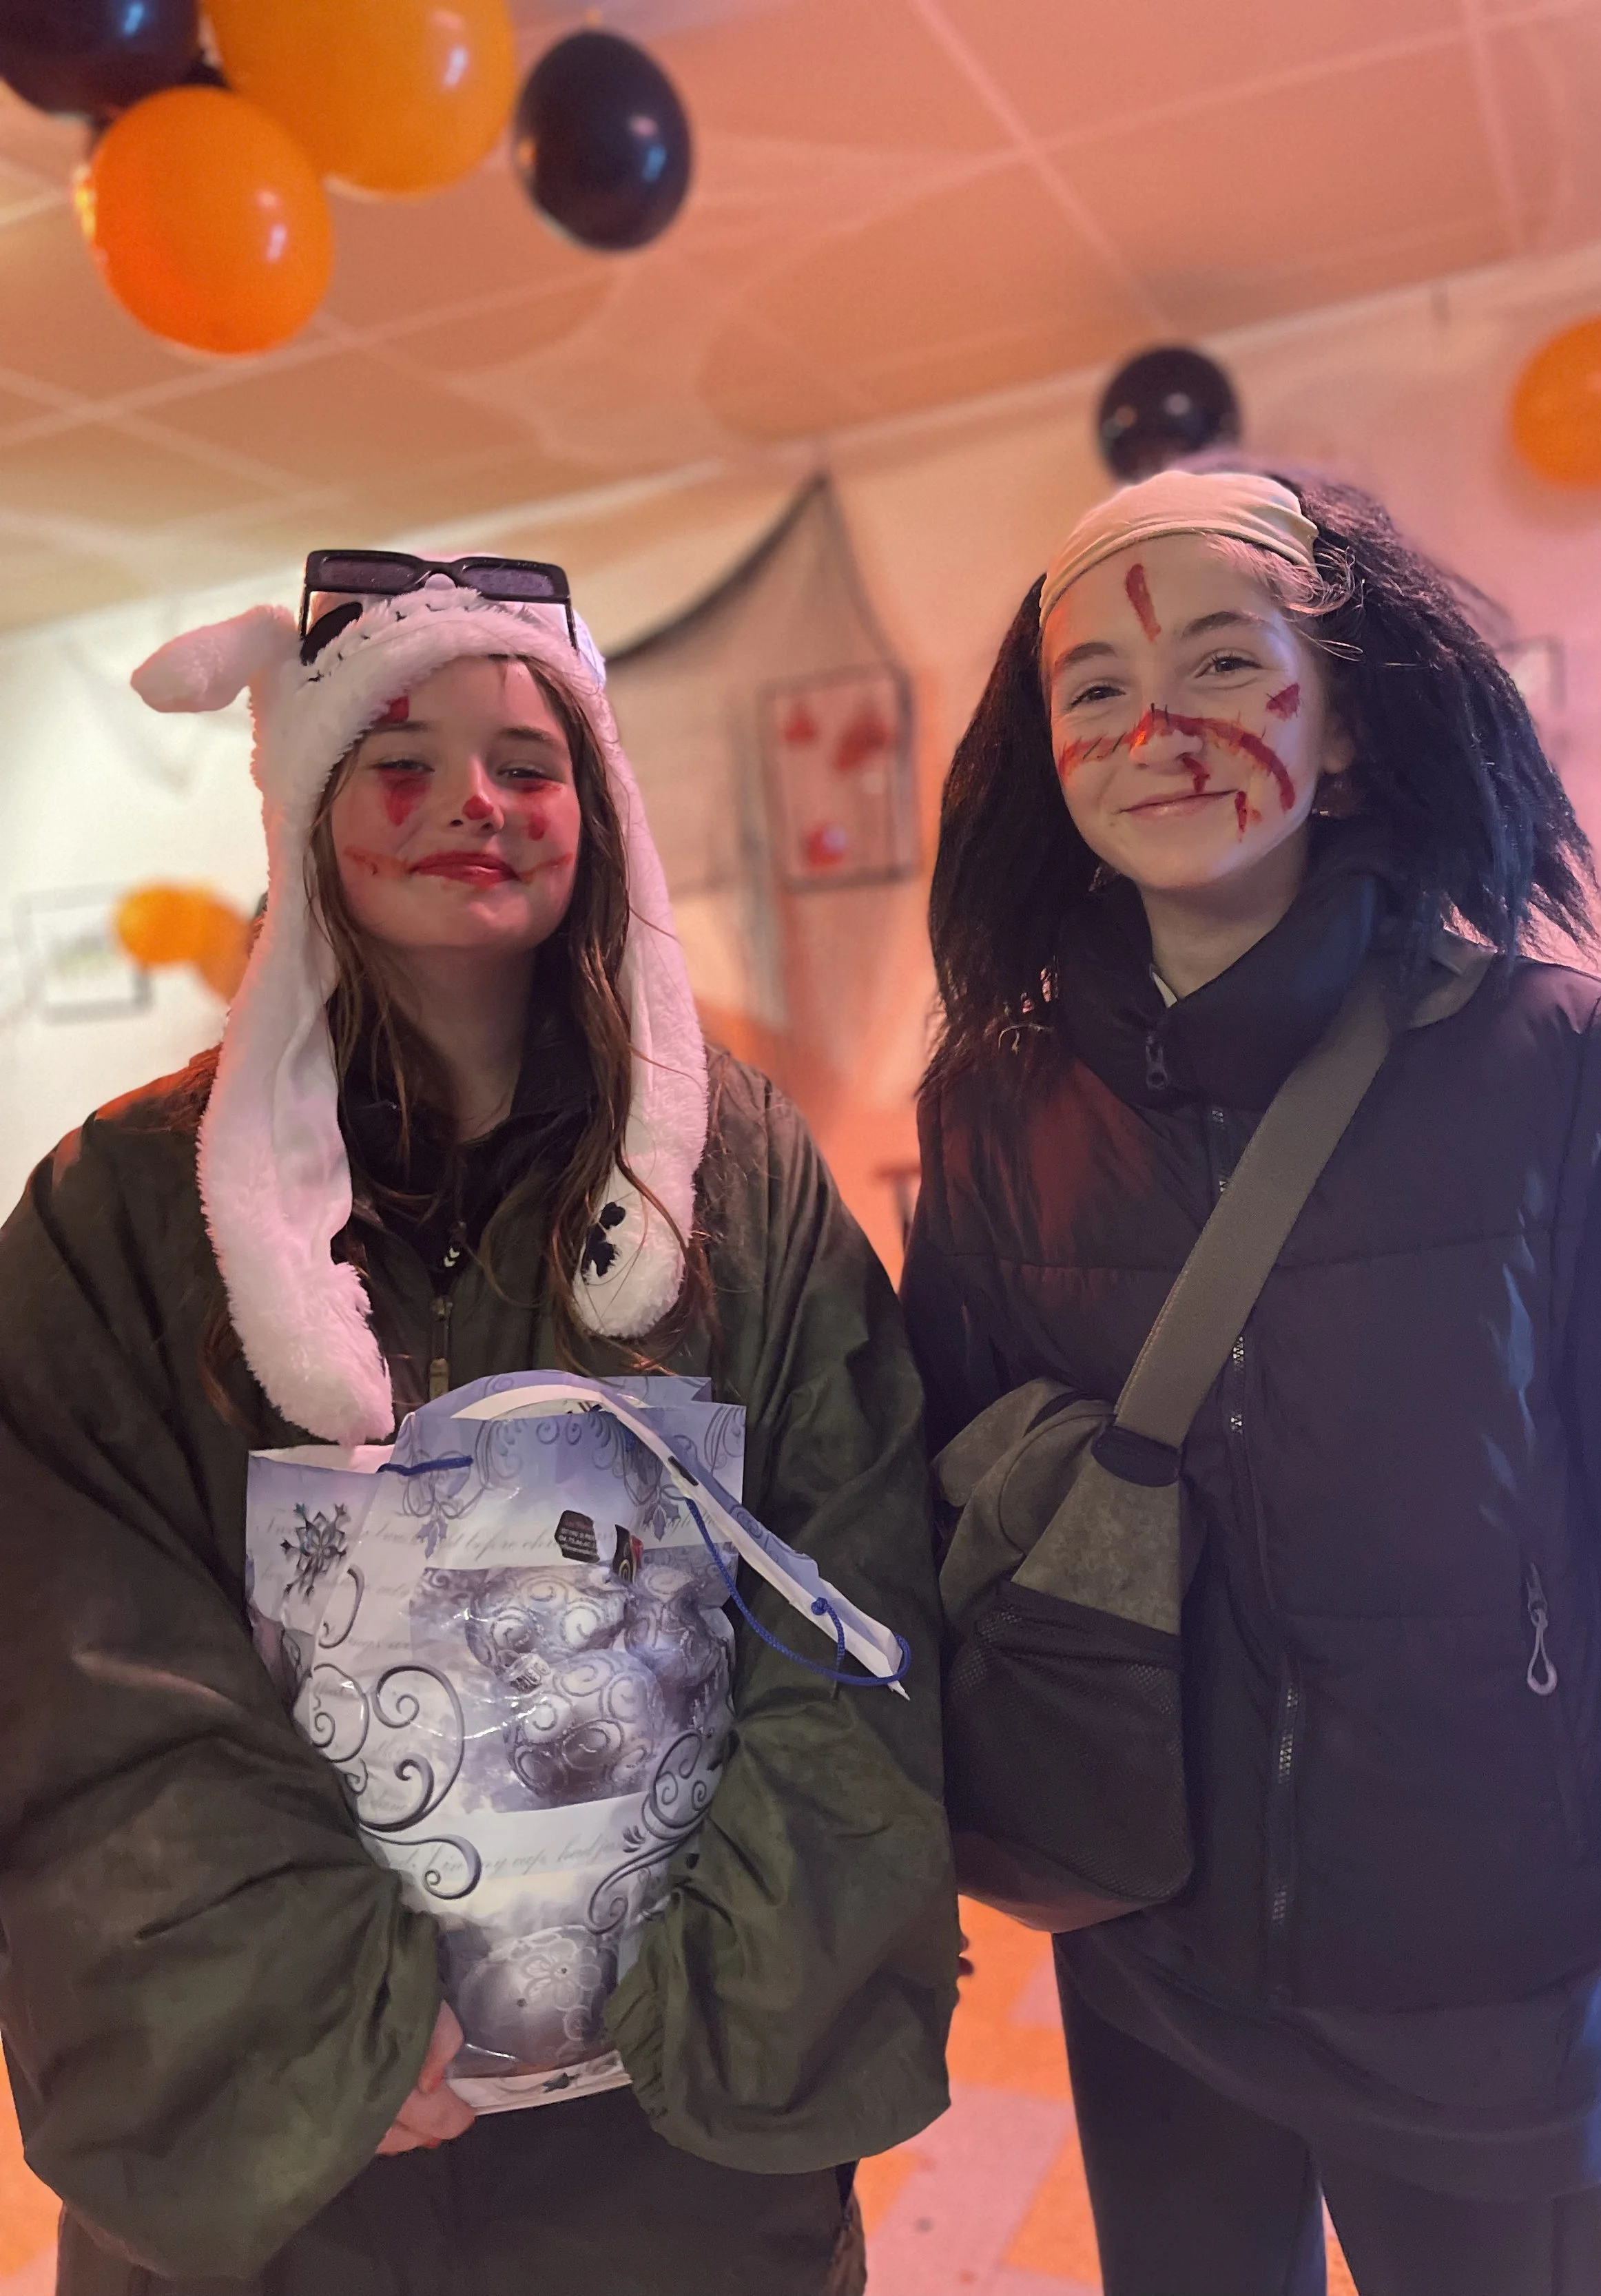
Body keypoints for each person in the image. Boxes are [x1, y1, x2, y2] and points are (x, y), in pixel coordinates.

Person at [0, 555, 958, 2295]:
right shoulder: (124, 1212)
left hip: (671, 2136)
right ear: (304, 807)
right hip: (298, 2148)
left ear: (593, 807)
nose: (473, 806)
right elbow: (76, 1665)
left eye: (526, 763)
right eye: (398, 761)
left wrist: (729, 1984)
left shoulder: (736, 1178)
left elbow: (855, 1584)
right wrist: (313, 2015)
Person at [901, 467, 1601, 2295]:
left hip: (1479, 1961)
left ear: (1344, 724)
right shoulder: (990, 1119)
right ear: (1048, 761)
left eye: (1223, 661)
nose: (1159, 727)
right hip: (1141, 1938)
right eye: (1095, 689)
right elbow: (923, 1551)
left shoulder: (1557, 1072)